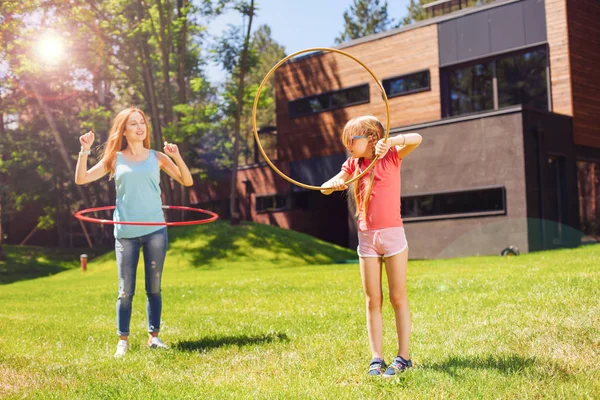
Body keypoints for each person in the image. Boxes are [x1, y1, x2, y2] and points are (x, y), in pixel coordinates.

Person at [75, 107, 193, 358]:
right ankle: (123, 341)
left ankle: (154, 338)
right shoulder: (115, 159)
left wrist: (178, 156)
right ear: (124, 130)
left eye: (142, 122)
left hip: (155, 231)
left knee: (155, 287)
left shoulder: (158, 157)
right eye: (133, 124)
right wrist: (84, 151)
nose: (140, 127)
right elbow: (82, 179)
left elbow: (187, 181)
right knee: (125, 290)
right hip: (126, 232)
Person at [321, 115, 422, 377]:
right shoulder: (353, 163)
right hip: (366, 239)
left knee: (397, 297)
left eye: (352, 140)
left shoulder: (390, 156)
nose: (348, 146)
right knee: (372, 300)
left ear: (371, 138)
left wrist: (392, 142)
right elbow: (325, 187)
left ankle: (403, 357)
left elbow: (417, 139)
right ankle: (376, 357)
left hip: (392, 237)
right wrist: (332, 185)